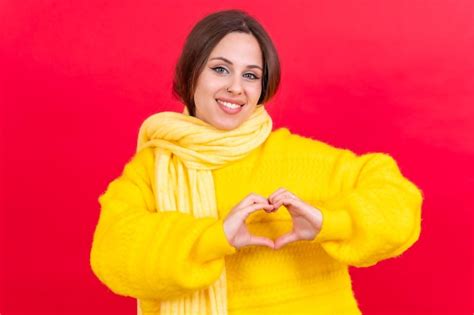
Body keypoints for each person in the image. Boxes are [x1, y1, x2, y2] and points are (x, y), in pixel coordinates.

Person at [89, 9, 423, 315]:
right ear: (191, 74)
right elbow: (112, 254)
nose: (236, 87)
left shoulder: (299, 157)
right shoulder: (153, 169)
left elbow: (400, 204)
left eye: (251, 76)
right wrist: (214, 237)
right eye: (220, 69)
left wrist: (328, 223)